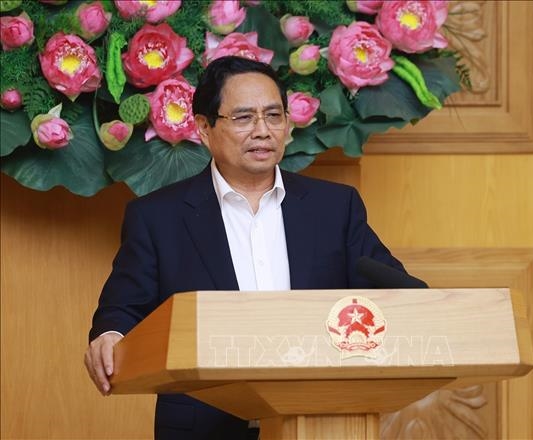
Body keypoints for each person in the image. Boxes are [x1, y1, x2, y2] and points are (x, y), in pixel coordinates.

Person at [84, 56, 407, 439]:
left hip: (319, 420)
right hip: (203, 427)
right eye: (243, 118)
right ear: (204, 128)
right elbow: (121, 311)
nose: (262, 131)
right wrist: (111, 335)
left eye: (273, 116)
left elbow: (393, 292)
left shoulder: (335, 208)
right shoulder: (158, 218)